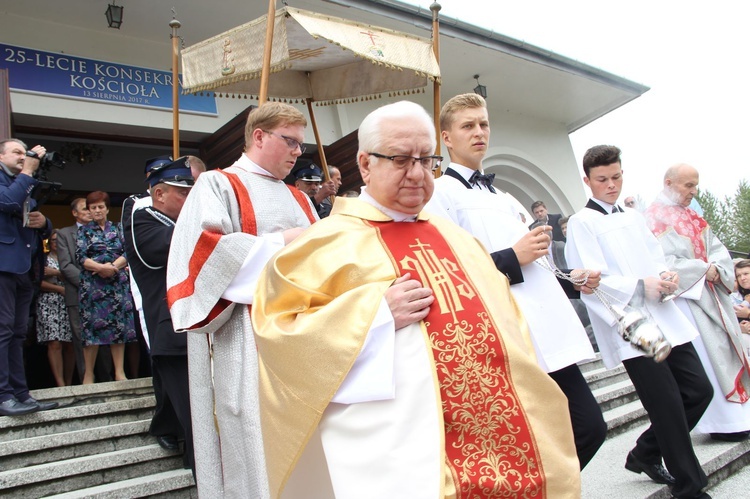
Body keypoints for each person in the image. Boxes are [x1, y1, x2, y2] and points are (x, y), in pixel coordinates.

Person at [252, 101, 580, 497]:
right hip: (405, 449)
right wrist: (373, 314)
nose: (417, 173)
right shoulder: (323, 243)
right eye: (401, 159)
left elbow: (509, 322)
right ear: (366, 164)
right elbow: (279, 333)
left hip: (499, 429)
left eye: (426, 160)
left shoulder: (459, 239)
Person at [425, 93, 605, 470]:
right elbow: (449, 273)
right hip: (508, 334)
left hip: (546, 326)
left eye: (484, 124)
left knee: (586, 428)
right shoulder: (440, 195)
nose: (479, 132)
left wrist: (573, 280)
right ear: (447, 136)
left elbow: (537, 263)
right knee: (555, 437)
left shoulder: (504, 195)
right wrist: (513, 257)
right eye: (468, 125)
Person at [166, 102, 317, 498]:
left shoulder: (300, 199)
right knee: (252, 441)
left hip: (303, 338)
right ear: (259, 136)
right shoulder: (217, 184)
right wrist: (283, 242)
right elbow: (204, 254)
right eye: (290, 141)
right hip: (243, 336)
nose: (297, 153)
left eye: (302, 145)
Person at [565, 145, 713, 499]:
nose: (611, 185)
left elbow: (654, 254)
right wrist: (639, 286)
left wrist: (666, 275)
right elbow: (589, 283)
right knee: (667, 404)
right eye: (602, 180)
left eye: (616, 177)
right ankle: (690, 488)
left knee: (698, 391)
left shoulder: (632, 216)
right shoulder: (582, 223)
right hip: (632, 327)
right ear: (587, 180)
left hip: (663, 315)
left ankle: (645, 452)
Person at [645, 164, 750, 442]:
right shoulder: (653, 218)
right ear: (669, 183)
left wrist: (717, 267)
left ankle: (738, 418)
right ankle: (720, 423)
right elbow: (662, 262)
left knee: (724, 351)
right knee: (708, 357)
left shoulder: (693, 216)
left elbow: (718, 250)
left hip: (711, 294)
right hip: (687, 302)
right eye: (688, 185)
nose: (694, 191)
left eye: (696, 185)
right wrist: (704, 270)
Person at [128, 157, 196, 475]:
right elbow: (158, 252)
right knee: (174, 383)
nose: (189, 200)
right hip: (165, 316)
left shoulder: (181, 221)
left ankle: (167, 425)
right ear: (159, 195)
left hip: (194, 319)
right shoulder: (142, 216)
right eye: (182, 193)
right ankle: (169, 428)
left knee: (182, 393)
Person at [0, 138, 58, 416]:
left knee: (18, 333)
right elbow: (9, 202)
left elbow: (32, 217)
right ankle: (3, 395)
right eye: (16, 152)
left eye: (26, 152)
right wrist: (29, 170)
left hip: (24, 268)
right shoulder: (11, 181)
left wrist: (44, 223)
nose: (24, 156)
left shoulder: (24, 181)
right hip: (3, 266)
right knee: (3, 331)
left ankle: (21, 393)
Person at [77, 190, 136, 384]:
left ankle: (120, 372)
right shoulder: (84, 231)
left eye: (100, 207)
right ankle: (88, 375)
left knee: (118, 327)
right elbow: (81, 257)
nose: (97, 211)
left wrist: (113, 267)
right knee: (92, 330)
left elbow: (128, 251)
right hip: (93, 286)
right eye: (93, 208)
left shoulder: (118, 228)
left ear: (107, 209)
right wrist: (101, 268)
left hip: (117, 285)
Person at [57, 197, 113, 384]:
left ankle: (108, 379)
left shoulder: (107, 231)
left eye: (93, 208)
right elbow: (66, 266)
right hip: (78, 292)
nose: (90, 212)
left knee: (106, 334)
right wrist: (89, 283)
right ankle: (85, 381)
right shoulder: (65, 234)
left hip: (105, 291)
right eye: (85, 209)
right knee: (83, 338)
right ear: (74, 213)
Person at [36, 229, 75, 387]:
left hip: (69, 303)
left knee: (70, 343)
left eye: (59, 240)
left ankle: (70, 381)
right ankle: (60, 384)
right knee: (55, 343)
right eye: (53, 240)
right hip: (49, 303)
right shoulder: (42, 259)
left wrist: (57, 272)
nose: (56, 243)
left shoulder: (70, 258)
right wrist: (60, 289)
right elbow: (36, 282)